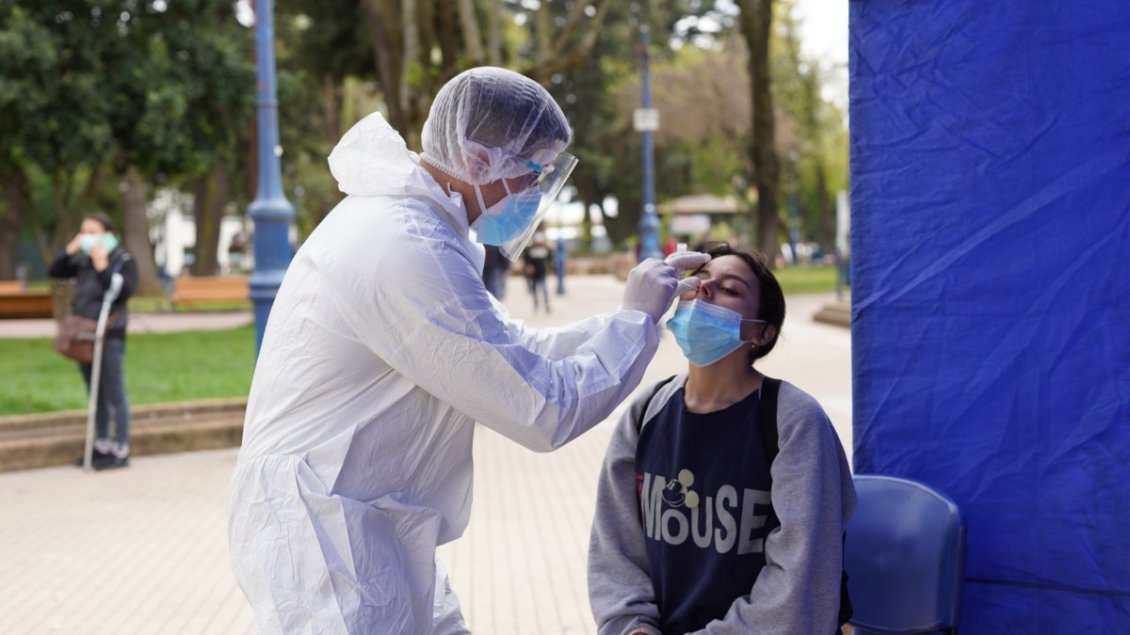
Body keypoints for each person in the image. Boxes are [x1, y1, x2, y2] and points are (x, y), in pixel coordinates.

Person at [226, 66, 710, 634]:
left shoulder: (425, 230)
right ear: (479, 162)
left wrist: (630, 311)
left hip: (369, 516)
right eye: (533, 173)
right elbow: (540, 409)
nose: (536, 193)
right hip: (325, 528)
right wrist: (635, 323)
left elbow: (514, 349)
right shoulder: (405, 246)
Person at [588, 244, 856, 635]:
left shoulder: (794, 421)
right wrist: (633, 627)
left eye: (729, 289)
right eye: (698, 283)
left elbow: (798, 585)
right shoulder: (647, 410)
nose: (705, 292)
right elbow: (616, 552)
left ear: (762, 332)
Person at [48, 213, 138, 470]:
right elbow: (56, 270)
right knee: (95, 391)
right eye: (83, 232)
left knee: (114, 392)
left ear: (109, 233)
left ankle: (120, 448)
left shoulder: (123, 260)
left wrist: (102, 267)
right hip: (83, 335)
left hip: (109, 335)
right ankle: (101, 445)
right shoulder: (84, 261)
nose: (87, 237)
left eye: (92, 231)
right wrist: (70, 249)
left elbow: (122, 291)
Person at [522, 229, 553, 313]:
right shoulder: (529, 251)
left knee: (544, 288)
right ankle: (536, 304)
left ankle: (546, 305)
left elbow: (550, 259)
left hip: (542, 272)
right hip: (533, 273)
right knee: (534, 289)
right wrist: (528, 267)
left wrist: (550, 266)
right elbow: (526, 261)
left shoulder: (545, 249)